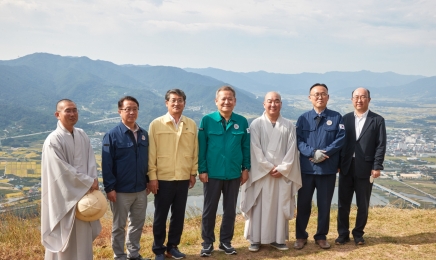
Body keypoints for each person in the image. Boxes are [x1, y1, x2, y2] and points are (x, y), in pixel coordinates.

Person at [240, 92, 302, 252]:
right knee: (257, 205)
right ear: (263, 104)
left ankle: (278, 239)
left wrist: (282, 168)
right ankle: (255, 239)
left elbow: (292, 151)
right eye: (269, 101)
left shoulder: (288, 125)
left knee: (279, 203)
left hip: (281, 174)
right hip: (261, 174)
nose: (273, 104)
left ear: (281, 104)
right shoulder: (256, 124)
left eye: (276, 101)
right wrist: (268, 167)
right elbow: (254, 150)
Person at [41, 99, 101, 259]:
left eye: (75, 110)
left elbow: (91, 162)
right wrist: (88, 182)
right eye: (68, 110)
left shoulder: (82, 135)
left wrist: (92, 181)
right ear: (57, 114)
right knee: (63, 242)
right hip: (64, 200)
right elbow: (60, 172)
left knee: (83, 240)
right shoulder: (53, 141)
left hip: (84, 198)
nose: (72, 114)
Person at [198, 85, 250, 257]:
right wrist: (202, 169)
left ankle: (226, 242)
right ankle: (207, 243)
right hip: (212, 174)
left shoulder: (241, 122)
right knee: (209, 210)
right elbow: (202, 148)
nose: (226, 102)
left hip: (234, 174)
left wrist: (246, 168)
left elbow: (246, 147)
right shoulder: (207, 120)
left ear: (234, 101)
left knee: (230, 210)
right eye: (223, 99)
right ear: (216, 101)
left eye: (230, 99)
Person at [148, 89, 198, 260]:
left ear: (184, 103)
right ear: (166, 103)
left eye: (180, 100)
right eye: (173, 100)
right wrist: (152, 177)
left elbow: (194, 151)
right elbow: (151, 153)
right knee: (160, 216)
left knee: (179, 214)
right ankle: (158, 249)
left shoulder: (191, 124)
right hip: (163, 178)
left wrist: (193, 172)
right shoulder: (157, 124)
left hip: (183, 177)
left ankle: (173, 247)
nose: (177, 103)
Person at [294, 83, 345, 250]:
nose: (319, 97)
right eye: (316, 94)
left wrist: (323, 153)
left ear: (328, 97)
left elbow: (340, 139)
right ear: (310, 98)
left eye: (323, 94)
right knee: (303, 205)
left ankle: (321, 236)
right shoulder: (303, 118)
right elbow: (298, 140)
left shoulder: (337, 117)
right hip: (307, 169)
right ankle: (301, 236)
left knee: (324, 204)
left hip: (327, 169)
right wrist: (312, 153)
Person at [336, 88, 386, 246]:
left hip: (366, 167)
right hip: (346, 167)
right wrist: (338, 164)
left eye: (363, 97)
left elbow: (380, 145)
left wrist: (377, 166)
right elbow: (339, 143)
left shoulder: (377, 120)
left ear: (369, 100)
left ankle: (358, 234)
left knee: (362, 203)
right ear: (351, 100)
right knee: (343, 203)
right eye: (356, 97)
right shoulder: (345, 119)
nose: (359, 100)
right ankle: (342, 234)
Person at [102, 96, 150, 260]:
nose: (131, 112)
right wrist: (110, 188)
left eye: (134, 109)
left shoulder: (144, 134)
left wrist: (149, 180)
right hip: (120, 190)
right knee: (119, 226)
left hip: (140, 189)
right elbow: (106, 164)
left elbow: (147, 160)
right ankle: (119, 255)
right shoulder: (112, 135)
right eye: (127, 109)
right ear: (119, 112)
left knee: (137, 224)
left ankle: (133, 254)